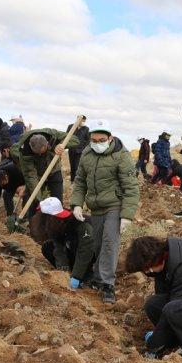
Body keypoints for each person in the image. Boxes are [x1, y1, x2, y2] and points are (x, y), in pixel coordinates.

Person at [70, 120, 139, 303]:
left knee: (109, 242)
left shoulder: (121, 155)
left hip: (114, 205)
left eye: (101, 140)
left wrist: (126, 215)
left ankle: (108, 285)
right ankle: (98, 278)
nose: (97, 143)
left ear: (110, 137)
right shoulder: (87, 153)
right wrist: (76, 203)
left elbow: (131, 187)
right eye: (94, 140)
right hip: (96, 207)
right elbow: (80, 182)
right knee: (98, 244)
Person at [30, 197, 95, 288]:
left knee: (76, 245)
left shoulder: (80, 224)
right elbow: (59, 249)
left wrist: (76, 276)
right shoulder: (56, 225)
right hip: (75, 253)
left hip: (90, 255)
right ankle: (74, 272)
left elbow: (86, 251)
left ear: (48, 217)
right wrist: (63, 272)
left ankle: (87, 275)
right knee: (48, 247)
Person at [12, 127, 79, 214]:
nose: (40, 154)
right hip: (37, 173)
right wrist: (40, 202)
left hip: (54, 169)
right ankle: (33, 221)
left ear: (47, 144)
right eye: (37, 154)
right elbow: (31, 177)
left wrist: (61, 145)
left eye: (42, 152)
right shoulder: (24, 152)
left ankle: (58, 221)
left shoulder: (52, 135)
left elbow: (75, 140)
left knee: (57, 199)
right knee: (33, 198)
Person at [66, 116, 89, 182]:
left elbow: (88, 140)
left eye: (82, 120)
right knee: (72, 165)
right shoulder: (71, 127)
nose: (80, 121)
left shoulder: (86, 129)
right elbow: (66, 136)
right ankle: (72, 180)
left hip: (80, 151)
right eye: (79, 119)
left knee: (77, 166)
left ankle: (77, 181)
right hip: (71, 150)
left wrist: (83, 149)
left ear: (84, 121)